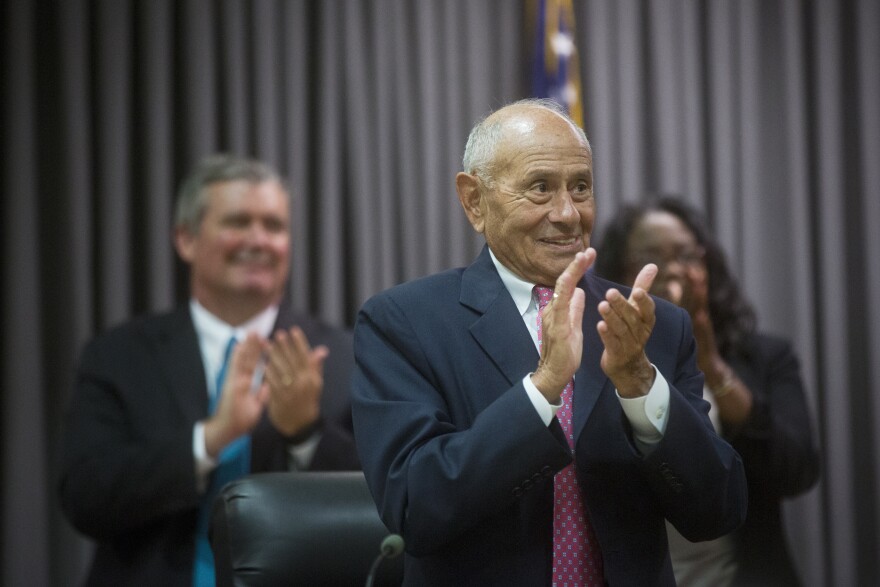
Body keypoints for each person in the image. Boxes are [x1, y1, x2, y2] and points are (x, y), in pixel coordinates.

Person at [351, 99, 747, 586]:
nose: (567, 213)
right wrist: (544, 386)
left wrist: (641, 386)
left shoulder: (650, 324)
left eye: (580, 187)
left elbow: (718, 510)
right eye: (540, 188)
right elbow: (414, 506)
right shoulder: (405, 322)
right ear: (474, 201)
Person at [58, 154, 360, 587]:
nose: (258, 239)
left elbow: (381, 504)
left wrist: (305, 434)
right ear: (186, 239)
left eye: (274, 226)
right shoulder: (119, 355)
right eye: (238, 222)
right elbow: (84, 496)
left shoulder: (344, 355)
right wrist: (210, 439)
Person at [595, 196, 820, 586]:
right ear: (617, 272)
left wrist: (711, 362)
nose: (672, 272)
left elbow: (796, 471)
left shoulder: (764, 357)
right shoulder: (595, 363)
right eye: (651, 258)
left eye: (686, 255)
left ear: (708, 265)